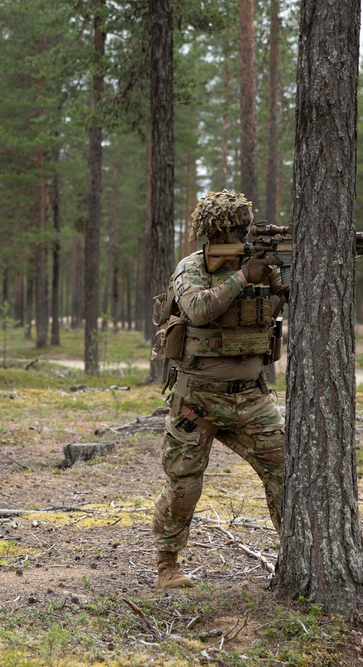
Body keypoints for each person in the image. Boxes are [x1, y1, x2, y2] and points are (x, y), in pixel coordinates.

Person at [152, 190, 288, 589]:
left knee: (286, 472)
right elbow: (197, 309)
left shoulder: (262, 267)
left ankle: (297, 558)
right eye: (237, 228)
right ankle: (167, 566)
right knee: (183, 483)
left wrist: (283, 276)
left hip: (250, 397)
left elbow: (289, 301)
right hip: (197, 400)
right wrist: (244, 277)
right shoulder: (192, 268)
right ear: (216, 232)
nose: (244, 234)